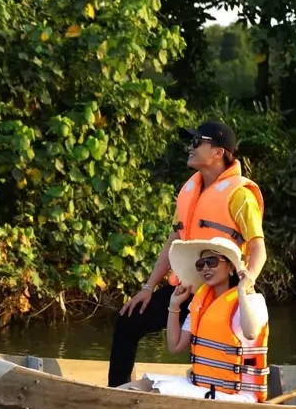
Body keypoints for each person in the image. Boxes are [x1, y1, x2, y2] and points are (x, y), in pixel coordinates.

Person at [107, 121, 268, 387]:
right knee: (128, 321)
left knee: (210, 344)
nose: (189, 147)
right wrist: (148, 287)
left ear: (218, 152)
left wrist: (246, 283)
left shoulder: (240, 196)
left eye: (197, 142)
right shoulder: (188, 191)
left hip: (221, 292)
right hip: (186, 290)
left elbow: (257, 248)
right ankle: (117, 395)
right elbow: (173, 242)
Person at [119, 237, 270, 403]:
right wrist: (174, 305)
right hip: (203, 385)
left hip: (237, 394)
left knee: (153, 393)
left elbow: (250, 332)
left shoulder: (253, 300)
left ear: (230, 267)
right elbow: (175, 346)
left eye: (212, 261)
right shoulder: (200, 304)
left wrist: (242, 289)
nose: (205, 267)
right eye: (201, 264)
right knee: (139, 385)